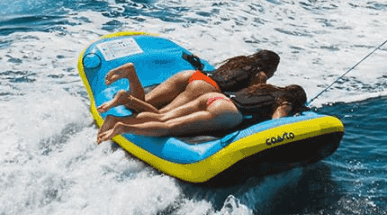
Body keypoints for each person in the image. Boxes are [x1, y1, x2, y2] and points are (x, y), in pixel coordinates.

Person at [96, 82, 308, 144]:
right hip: (228, 112)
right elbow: (277, 123)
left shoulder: (266, 89)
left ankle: (119, 118)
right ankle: (124, 127)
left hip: (216, 98)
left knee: (162, 116)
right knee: (169, 128)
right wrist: (292, 116)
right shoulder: (285, 101)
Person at [98, 50, 280, 116]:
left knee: (143, 103)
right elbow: (251, 95)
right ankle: (125, 97)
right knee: (159, 115)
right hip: (205, 87)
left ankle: (131, 73)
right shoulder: (261, 74)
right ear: (270, 66)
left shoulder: (241, 60)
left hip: (190, 75)